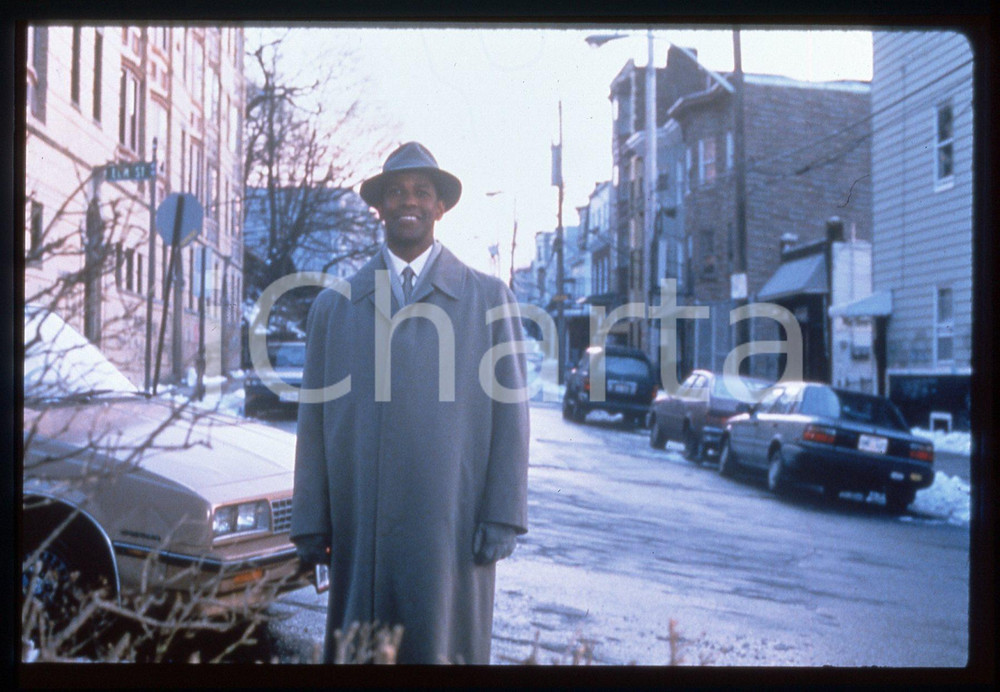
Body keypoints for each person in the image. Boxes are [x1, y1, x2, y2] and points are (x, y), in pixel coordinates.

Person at [290, 142, 530, 664]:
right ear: (379, 206)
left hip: (451, 530)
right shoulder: (335, 307)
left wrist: (504, 515)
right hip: (360, 529)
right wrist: (310, 518)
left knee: (441, 650)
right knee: (364, 655)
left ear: (440, 206)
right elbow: (313, 423)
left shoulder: (488, 300)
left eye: (422, 192)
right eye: (396, 191)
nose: (409, 201)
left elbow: (511, 418)